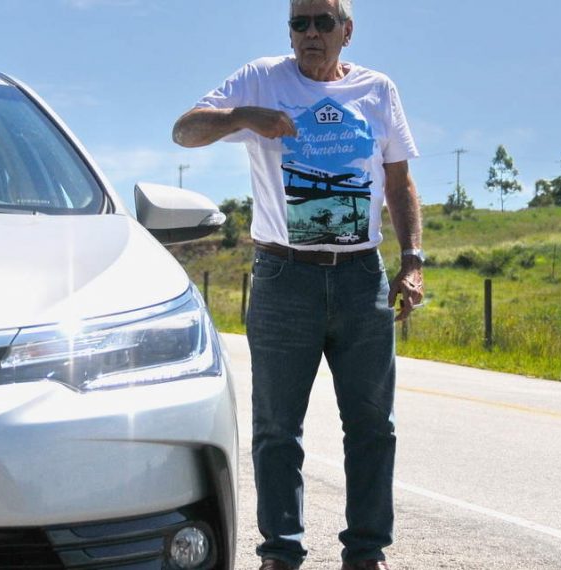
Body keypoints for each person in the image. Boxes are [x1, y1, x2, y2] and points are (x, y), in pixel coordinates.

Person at [171, 1, 424, 569]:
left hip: (361, 277)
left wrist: (412, 260)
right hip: (284, 277)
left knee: (372, 425)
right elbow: (184, 131)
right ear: (289, 31)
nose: (311, 33)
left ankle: (367, 552)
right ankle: (280, 554)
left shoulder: (377, 90)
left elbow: (399, 180)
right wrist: (244, 116)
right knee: (277, 428)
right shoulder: (262, 79)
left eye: (323, 22)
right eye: (299, 23)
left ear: (346, 31)